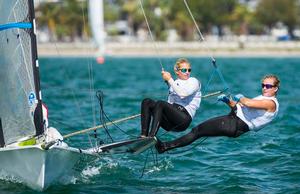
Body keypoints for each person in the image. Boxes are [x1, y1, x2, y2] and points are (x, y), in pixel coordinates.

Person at [155, 74, 280, 153]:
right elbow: (240, 107)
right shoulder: (262, 98)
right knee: (197, 131)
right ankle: (165, 146)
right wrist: (228, 101)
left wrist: (242, 98)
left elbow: (248, 103)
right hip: (233, 121)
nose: (264, 88)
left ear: (275, 88)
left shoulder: (271, 104)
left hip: (234, 124)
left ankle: (164, 147)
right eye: (263, 85)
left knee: (197, 131)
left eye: (268, 86)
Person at [140, 58, 201, 138]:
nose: (187, 72)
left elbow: (183, 94)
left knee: (160, 103)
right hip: (170, 122)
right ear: (177, 71)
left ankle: (151, 137)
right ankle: (143, 136)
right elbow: (170, 103)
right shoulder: (174, 83)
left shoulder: (193, 81)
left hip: (184, 119)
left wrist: (169, 79)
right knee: (146, 102)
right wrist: (168, 82)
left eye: (189, 70)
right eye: (184, 70)